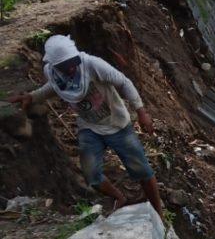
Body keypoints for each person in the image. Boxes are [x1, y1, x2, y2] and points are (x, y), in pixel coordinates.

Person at [5, 34, 163, 215]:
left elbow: (124, 82)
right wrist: (31, 97)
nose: (71, 68)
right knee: (91, 175)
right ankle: (119, 197)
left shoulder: (93, 65)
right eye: (65, 67)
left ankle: (158, 212)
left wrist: (141, 112)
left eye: (73, 63)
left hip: (117, 124)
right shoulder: (53, 73)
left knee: (142, 170)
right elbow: (54, 88)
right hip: (90, 127)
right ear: (55, 66)